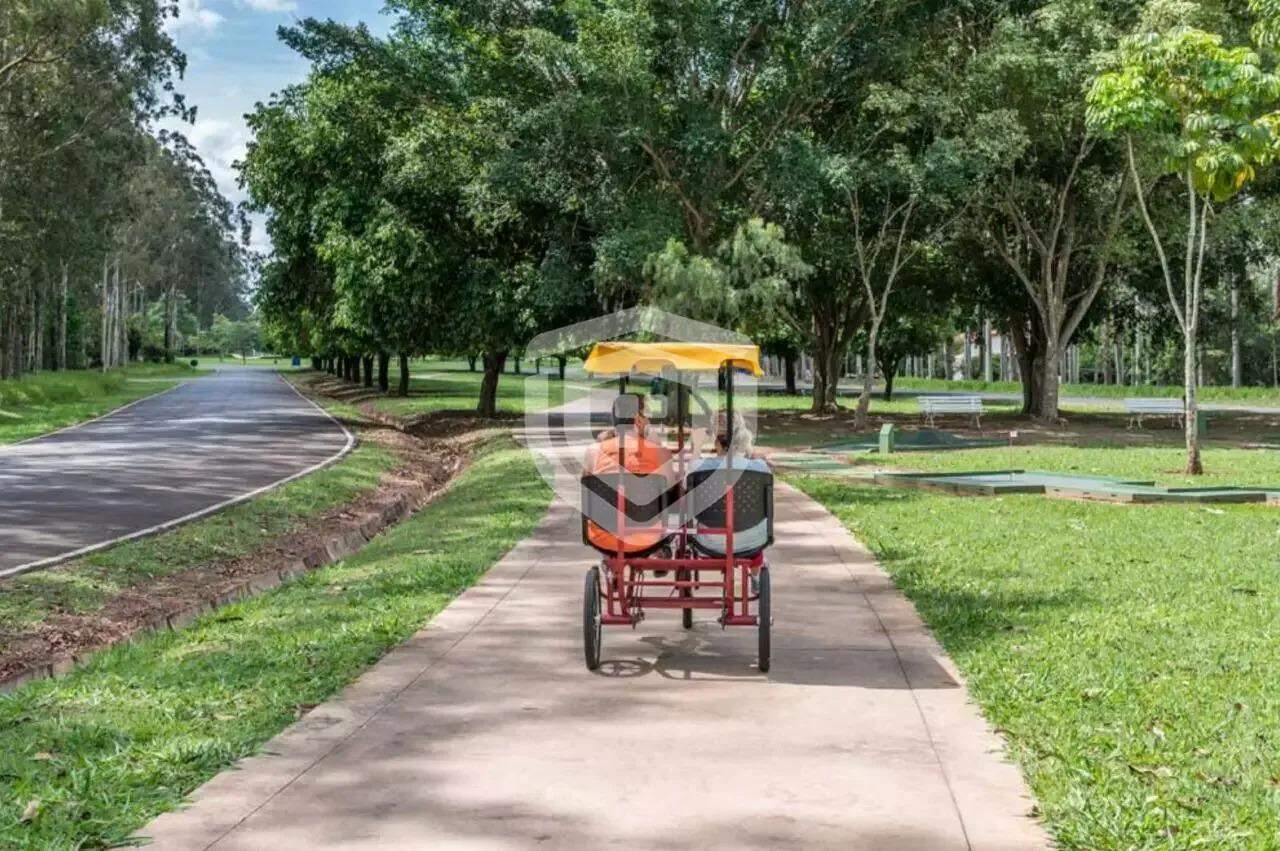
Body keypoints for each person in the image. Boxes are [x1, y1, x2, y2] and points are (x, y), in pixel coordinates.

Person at [582, 396, 675, 555]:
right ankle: (661, 554)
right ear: (639, 420)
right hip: (648, 538)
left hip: (604, 537)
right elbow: (672, 491)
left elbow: (587, 488)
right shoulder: (659, 453)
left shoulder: (593, 452)